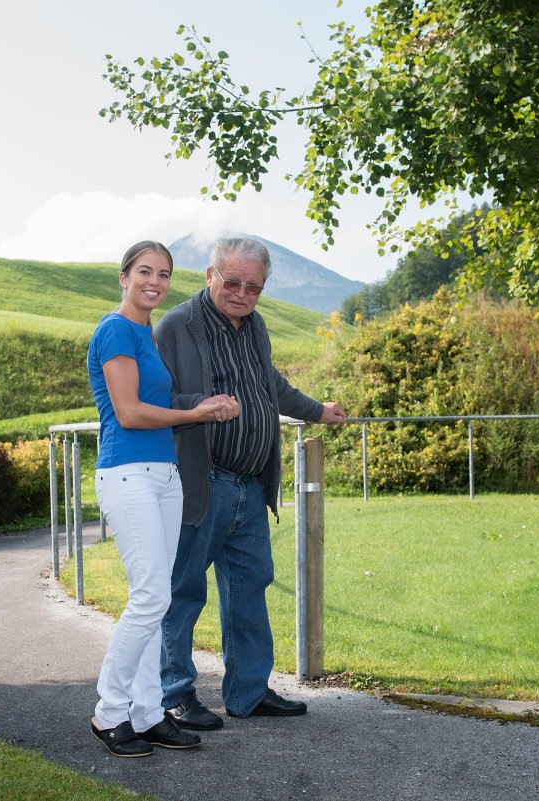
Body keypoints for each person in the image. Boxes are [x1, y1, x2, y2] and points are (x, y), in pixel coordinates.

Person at [155, 236, 346, 731]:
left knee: (249, 588)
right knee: (183, 591)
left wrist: (317, 411)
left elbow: (271, 387)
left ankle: (248, 692)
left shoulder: (254, 327)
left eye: (253, 287)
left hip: (249, 485)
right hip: (202, 484)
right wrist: (203, 403)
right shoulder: (178, 326)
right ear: (210, 275)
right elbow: (153, 398)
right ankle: (174, 695)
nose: (241, 293)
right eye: (232, 281)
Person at [86, 240, 240, 757]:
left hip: (163, 475)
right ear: (124, 277)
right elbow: (129, 413)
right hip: (127, 473)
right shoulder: (114, 331)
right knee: (151, 595)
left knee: (155, 598)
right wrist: (196, 415)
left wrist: (204, 404)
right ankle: (110, 712)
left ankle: (149, 713)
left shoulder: (146, 333)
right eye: (145, 271)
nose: (155, 281)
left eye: (165, 273)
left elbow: (159, 402)